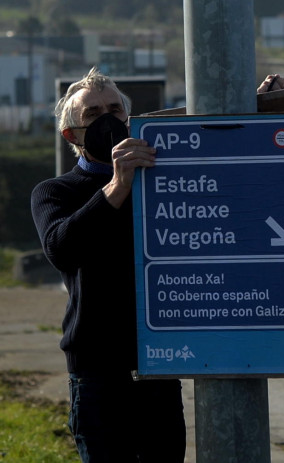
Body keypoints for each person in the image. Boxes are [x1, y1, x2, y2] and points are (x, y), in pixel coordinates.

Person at [30, 67, 186, 462]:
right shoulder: (55, 192)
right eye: (93, 114)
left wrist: (257, 104)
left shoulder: (159, 178)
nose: (108, 120)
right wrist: (117, 186)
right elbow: (62, 248)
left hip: (160, 368)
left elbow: (216, 148)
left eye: (115, 110)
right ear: (72, 135)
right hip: (97, 376)